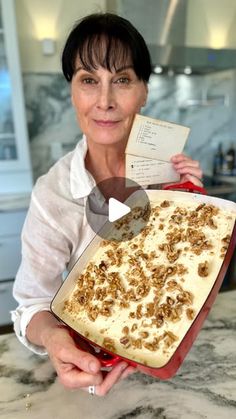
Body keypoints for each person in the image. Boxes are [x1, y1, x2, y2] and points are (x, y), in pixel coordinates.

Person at [12, 13, 203, 397]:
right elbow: (32, 304)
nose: (105, 101)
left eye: (121, 80)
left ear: (144, 91)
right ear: (72, 92)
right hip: (94, 367)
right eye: (88, 81)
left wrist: (195, 210)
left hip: (174, 367)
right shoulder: (54, 193)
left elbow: (185, 278)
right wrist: (54, 339)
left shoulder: (167, 173)